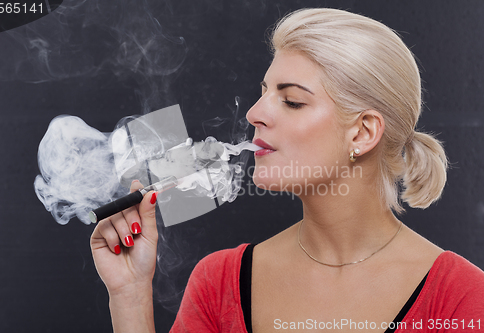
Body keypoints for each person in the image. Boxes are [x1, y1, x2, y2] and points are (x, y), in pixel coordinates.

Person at [91, 8, 484, 332]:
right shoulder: (219, 282)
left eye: (292, 101)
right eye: (263, 92)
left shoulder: (462, 297)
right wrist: (130, 296)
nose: (255, 113)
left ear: (363, 133)